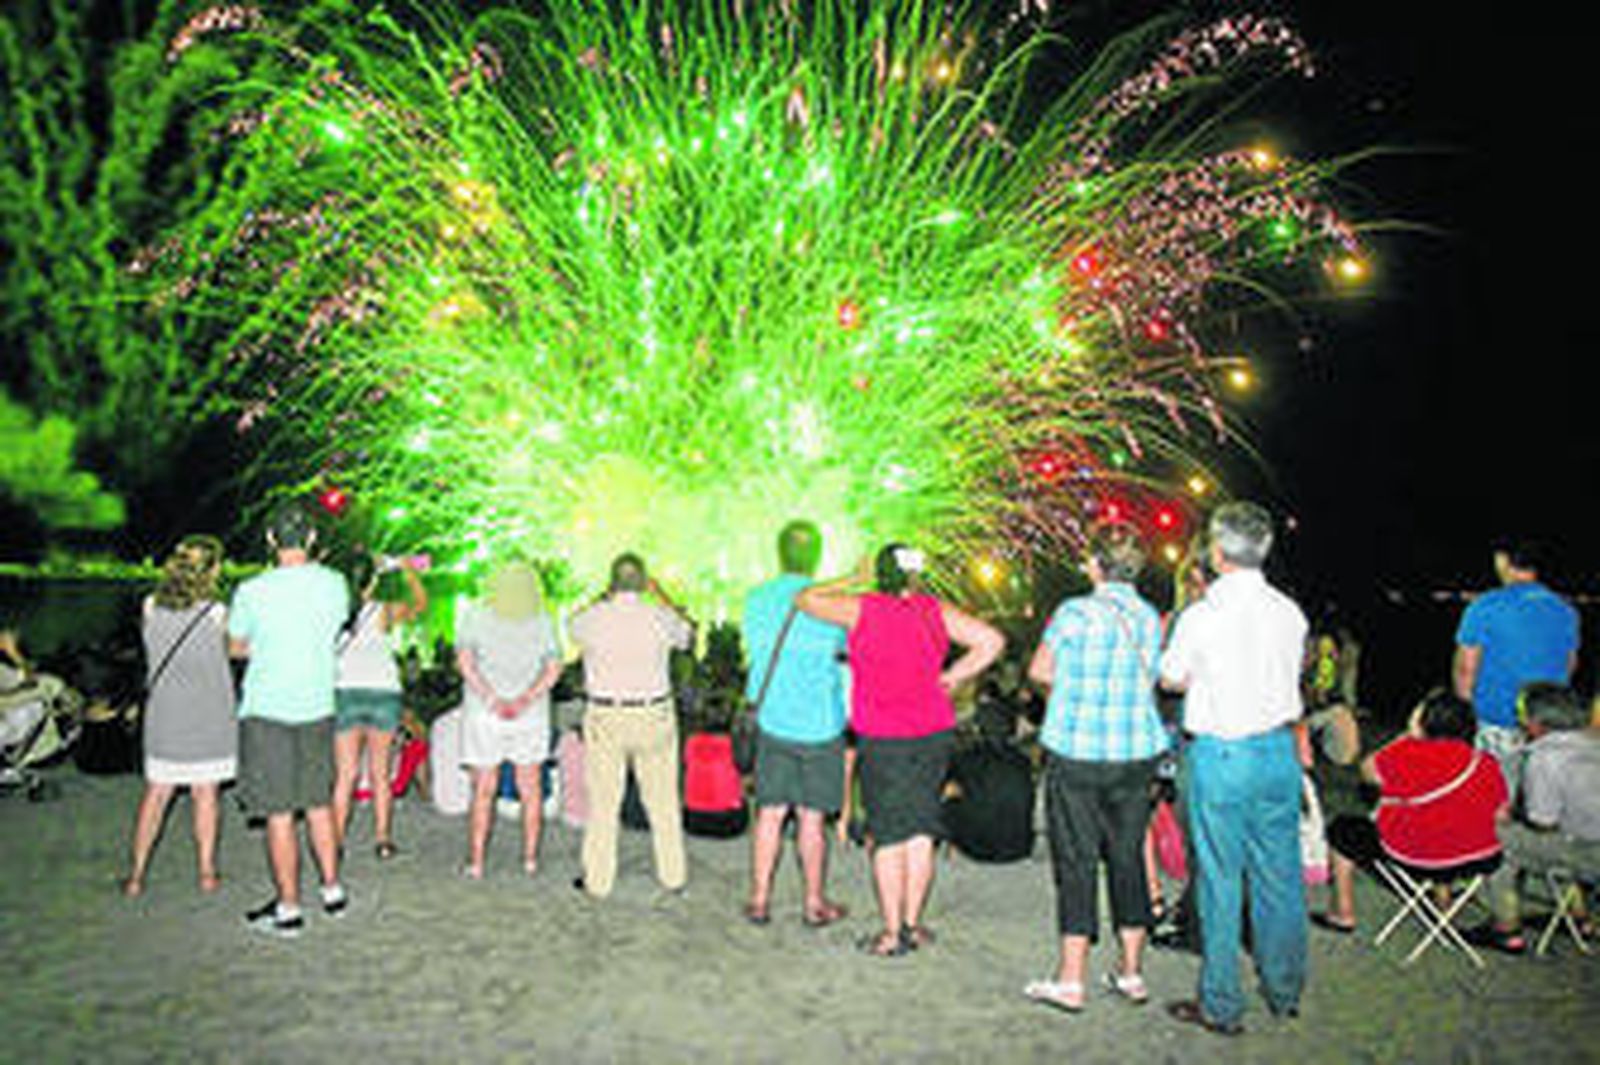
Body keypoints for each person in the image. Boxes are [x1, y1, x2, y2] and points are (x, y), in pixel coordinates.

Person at [798, 544, 1004, 956]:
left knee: (889, 834)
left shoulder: (864, 608)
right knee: (920, 830)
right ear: (915, 575)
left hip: (884, 735)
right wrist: (951, 676)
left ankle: (892, 934)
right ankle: (912, 923)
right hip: (932, 731)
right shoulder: (935, 610)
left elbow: (805, 599)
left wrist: (852, 580)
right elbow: (992, 641)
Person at [1158, 502, 1307, 1035]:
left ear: (1217, 555)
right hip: (1277, 753)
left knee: (1220, 880)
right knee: (1280, 876)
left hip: (1222, 754)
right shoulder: (1290, 613)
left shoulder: (1201, 616)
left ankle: (1221, 1004)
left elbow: (1171, 678)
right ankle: (1284, 989)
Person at [1023, 523, 1167, 1012]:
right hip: (1135, 753)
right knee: (1126, 856)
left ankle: (1071, 979)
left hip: (1078, 752)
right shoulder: (1150, 617)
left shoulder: (1074, 613)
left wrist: (1068, 692)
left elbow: (1041, 672)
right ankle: (1130, 973)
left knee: (1077, 861)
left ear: (1094, 564)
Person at [228, 502, 351, 937]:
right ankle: (333, 890)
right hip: (318, 706)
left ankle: (289, 909)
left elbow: (237, 647)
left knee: (280, 813)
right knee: (318, 802)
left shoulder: (251, 591)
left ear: (270, 540)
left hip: (268, 711)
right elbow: (335, 628)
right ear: (313, 539)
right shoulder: (335, 584)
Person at [1314, 690, 1507, 936]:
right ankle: (1443, 904)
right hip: (1479, 858)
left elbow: (1367, 771)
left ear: (1425, 721)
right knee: (1447, 820)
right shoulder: (1485, 761)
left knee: (1341, 829)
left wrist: (1405, 737)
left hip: (1416, 858)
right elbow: (1501, 814)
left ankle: (1343, 913)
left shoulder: (1404, 754)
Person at [741, 520, 850, 927]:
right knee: (811, 818)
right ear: (818, 556)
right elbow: (842, 648)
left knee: (769, 812)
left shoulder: (756, 599)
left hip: (773, 718)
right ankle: (813, 902)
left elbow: (752, 650)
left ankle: (760, 898)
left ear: (778, 552)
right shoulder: (832, 601)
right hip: (821, 722)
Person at [569, 553, 695, 899]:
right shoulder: (660, 617)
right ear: (644, 583)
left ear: (612, 582)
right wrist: (662, 594)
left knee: (604, 803)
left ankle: (598, 881)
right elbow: (689, 634)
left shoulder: (591, 619)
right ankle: (673, 876)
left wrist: (603, 596)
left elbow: (572, 626)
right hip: (653, 714)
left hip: (607, 715)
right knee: (664, 800)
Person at [122, 535, 236, 897]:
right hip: (210, 715)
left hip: (166, 714)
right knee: (206, 795)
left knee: (156, 795)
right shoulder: (217, 613)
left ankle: (136, 876)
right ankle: (206, 872)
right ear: (213, 569)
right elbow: (235, 650)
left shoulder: (150, 606)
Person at [456, 561, 562, 879]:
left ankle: (476, 862)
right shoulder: (543, 619)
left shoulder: (475, 614)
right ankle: (530, 859)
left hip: (483, 714)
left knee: (483, 790)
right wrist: (525, 698)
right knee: (530, 789)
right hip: (530, 715)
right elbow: (554, 668)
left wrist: (491, 698)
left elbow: (465, 662)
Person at [1453, 541, 1579, 797]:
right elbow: (1570, 663)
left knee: (1492, 794)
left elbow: (1466, 668)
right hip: (1546, 721)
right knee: (1535, 794)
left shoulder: (1485, 606)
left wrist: (1464, 709)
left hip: (1497, 716)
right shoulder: (1565, 609)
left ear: (1503, 561)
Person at [1484, 683, 1600, 948]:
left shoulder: (1545, 756)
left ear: (1537, 722)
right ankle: (1577, 915)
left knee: (1496, 836)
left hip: (1588, 855)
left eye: (1522, 713)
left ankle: (1506, 927)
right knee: (1561, 836)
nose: (1519, 719)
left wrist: (1510, 815)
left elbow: (1542, 821)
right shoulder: (1593, 742)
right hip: (1588, 842)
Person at [331, 551, 428, 860]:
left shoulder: (332, 612)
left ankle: (335, 840)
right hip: (383, 693)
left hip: (344, 691)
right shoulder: (383, 611)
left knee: (345, 775)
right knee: (380, 772)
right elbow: (420, 604)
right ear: (373, 580)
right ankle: (383, 839)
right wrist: (406, 570)